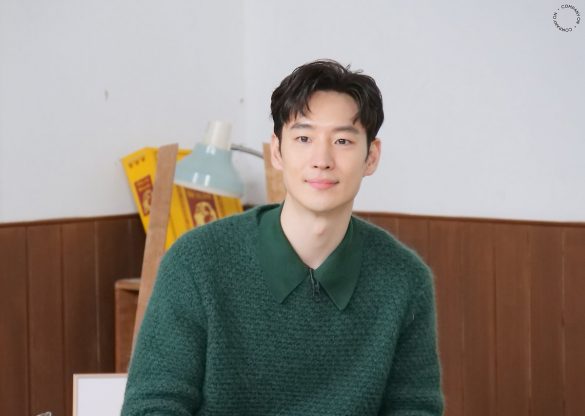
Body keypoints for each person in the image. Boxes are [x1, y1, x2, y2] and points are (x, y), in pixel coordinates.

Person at [122, 59, 444, 415]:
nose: (322, 159)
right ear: (277, 151)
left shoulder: (405, 280)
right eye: (304, 138)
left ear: (372, 156)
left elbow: (414, 408)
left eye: (342, 140)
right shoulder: (195, 263)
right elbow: (152, 406)